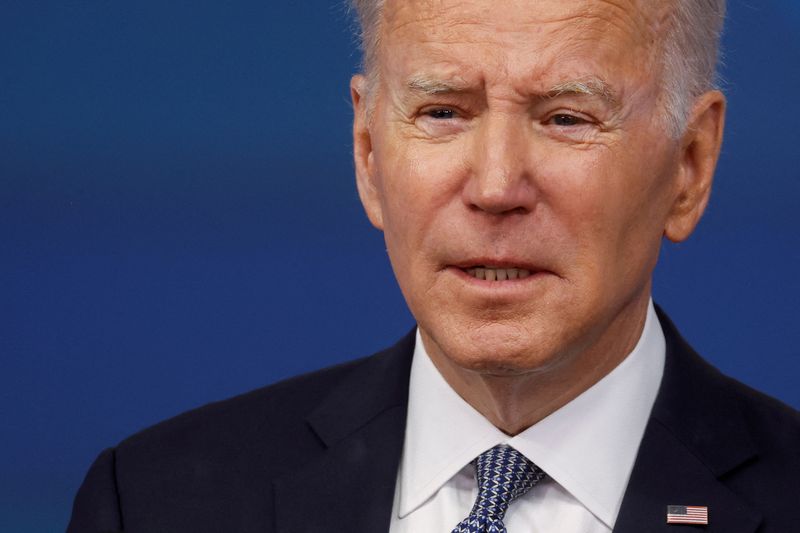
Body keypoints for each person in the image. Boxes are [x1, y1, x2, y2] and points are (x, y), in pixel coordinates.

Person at [67, 0, 800, 531]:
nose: (494, 187)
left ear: (690, 165)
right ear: (366, 152)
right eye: (444, 111)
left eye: (566, 118)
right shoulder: (152, 502)